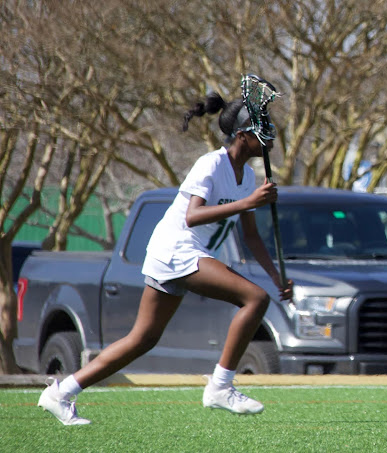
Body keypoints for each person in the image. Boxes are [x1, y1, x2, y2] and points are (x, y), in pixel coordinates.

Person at [37, 89, 293, 425]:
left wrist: (276, 277)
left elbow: (251, 236)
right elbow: (192, 215)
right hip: (177, 250)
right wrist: (248, 203)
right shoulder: (212, 164)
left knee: (141, 339)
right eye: (262, 130)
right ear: (242, 136)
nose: (270, 136)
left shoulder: (248, 179)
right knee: (254, 300)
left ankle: (61, 392)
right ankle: (220, 387)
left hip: (183, 254)